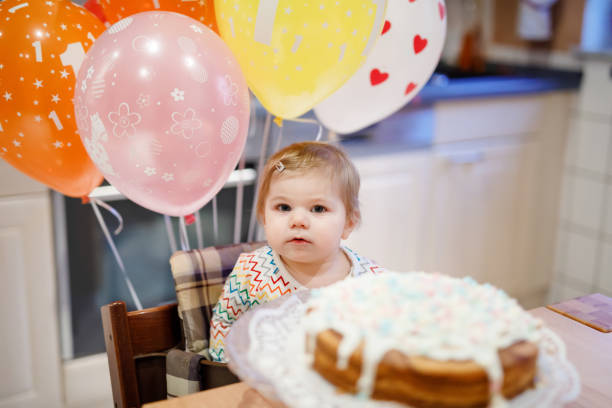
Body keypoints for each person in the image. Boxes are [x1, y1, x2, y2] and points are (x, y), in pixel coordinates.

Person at [208, 141, 384, 362]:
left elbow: (385, 339)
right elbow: (225, 323)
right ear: (263, 216)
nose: (298, 220)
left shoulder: (372, 282)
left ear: (349, 222)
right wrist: (231, 369)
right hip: (263, 384)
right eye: (283, 207)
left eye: (318, 208)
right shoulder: (251, 272)